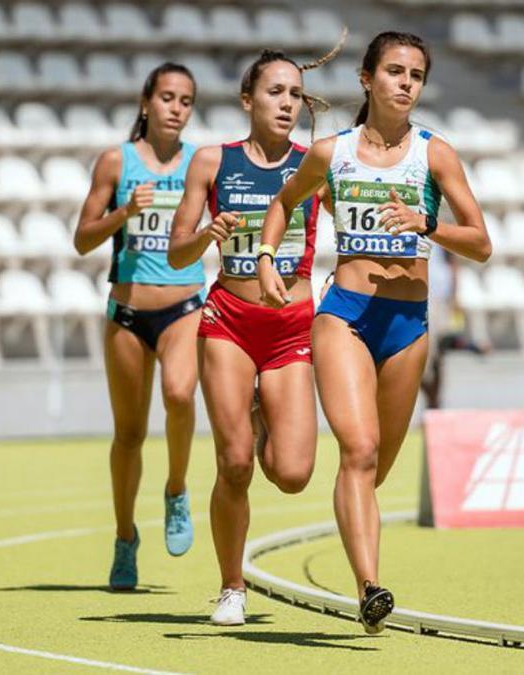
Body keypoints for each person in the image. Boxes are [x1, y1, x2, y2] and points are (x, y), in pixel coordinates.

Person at [256, 32, 492, 633]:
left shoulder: (436, 154)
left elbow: (482, 243)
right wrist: (266, 258)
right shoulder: (330, 153)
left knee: (375, 467)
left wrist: (428, 222)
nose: (406, 83)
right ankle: (370, 589)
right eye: (394, 71)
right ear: (367, 79)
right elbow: (284, 204)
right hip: (346, 314)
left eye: (416, 73)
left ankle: (364, 568)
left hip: (408, 325)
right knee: (357, 452)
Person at [168, 41, 341, 626]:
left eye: (296, 93)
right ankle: (232, 586)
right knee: (236, 462)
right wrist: (206, 234)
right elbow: (176, 253)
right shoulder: (211, 163)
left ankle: (263, 412)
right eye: (275, 91)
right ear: (248, 100)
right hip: (229, 323)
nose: (287, 103)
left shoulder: (316, 166)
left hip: (292, 326)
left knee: (291, 475)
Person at [73, 63, 203, 591]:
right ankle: (125, 538)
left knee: (179, 393)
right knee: (128, 435)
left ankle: (176, 490)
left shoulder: (202, 162)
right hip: (127, 313)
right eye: (168, 97)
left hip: (183, 308)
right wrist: (125, 211)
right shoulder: (116, 161)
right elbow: (83, 239)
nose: (176, 108)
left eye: (186, 100)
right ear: (146, 102)